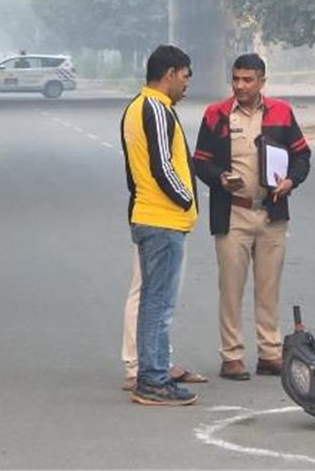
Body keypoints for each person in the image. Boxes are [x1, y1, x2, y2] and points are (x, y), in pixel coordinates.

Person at [193, 53, 311, 380]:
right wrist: (219, 177)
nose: (241, 86)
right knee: (231, 288)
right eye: (236, 79)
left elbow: (302, 155)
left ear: (262, 81)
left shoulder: (281, 112)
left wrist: (291, 181)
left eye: (248, 80)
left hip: (271, 213)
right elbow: (200, 160)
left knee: (269, 287)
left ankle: (270, 353)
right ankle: (231, 355)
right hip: (233, 212)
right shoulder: (216, 114)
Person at [120, 44, 199, 405]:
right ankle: (152, 379)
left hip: (151, 216)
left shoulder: (139, 107)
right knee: (159, 304)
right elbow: (162, 165)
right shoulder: (154, 108)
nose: (186, 84)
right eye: (185, 76)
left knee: (155, 301)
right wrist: (185, 199)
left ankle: (154, 374)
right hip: (161, 219)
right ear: (170, 74)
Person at [120, 248, 208, 392]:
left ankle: (159, 363)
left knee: (164, 292)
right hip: (159, 234)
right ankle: (137, 366)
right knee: (147, 290)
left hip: (169, 233)